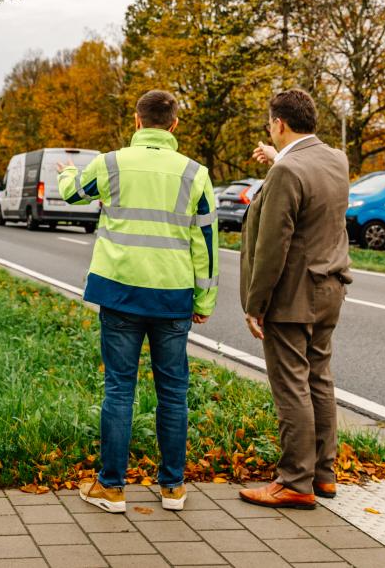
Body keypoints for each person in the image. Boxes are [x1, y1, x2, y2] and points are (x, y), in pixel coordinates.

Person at [57, 89, 218, 513]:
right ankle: (173, 489)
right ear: (175, 125)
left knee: (119, 389)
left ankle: (110, 488)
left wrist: (64, 174)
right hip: (172, 296)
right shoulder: (195, 173)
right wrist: (205, 298)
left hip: (120, 291)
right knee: (173, 392)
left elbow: (73, 194)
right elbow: (206, 242)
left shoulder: (111, 163)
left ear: (136, 120)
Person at [238, 88, 351, 510]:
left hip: (293, 296)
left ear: (279, 124)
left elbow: (273, 247)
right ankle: (324, 474)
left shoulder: (287, 173)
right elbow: (307, 177)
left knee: (291, 386)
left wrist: (255, 303)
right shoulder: (336, 159)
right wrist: (279, 156)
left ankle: (294, 481)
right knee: (319, 378)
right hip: (331, 285)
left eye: (271, 125)